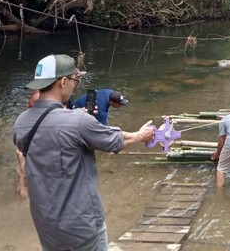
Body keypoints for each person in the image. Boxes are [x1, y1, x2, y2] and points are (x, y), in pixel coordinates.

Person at [13, 54, 155, 251]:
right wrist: (141, 135)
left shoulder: (21, 122)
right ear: (63, 81)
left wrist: (76, 118)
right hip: (80, 226)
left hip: (46, 226)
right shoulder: (77, 122)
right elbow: (114, 142)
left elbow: (50, 138)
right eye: (75, 79)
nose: (76, 85)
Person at [16, 90, 40, 198]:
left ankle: (22, 186)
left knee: (22, 163)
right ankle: (22, 187)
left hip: (25, 144)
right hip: (28, 146)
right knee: (23, 165)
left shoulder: (25, 117)